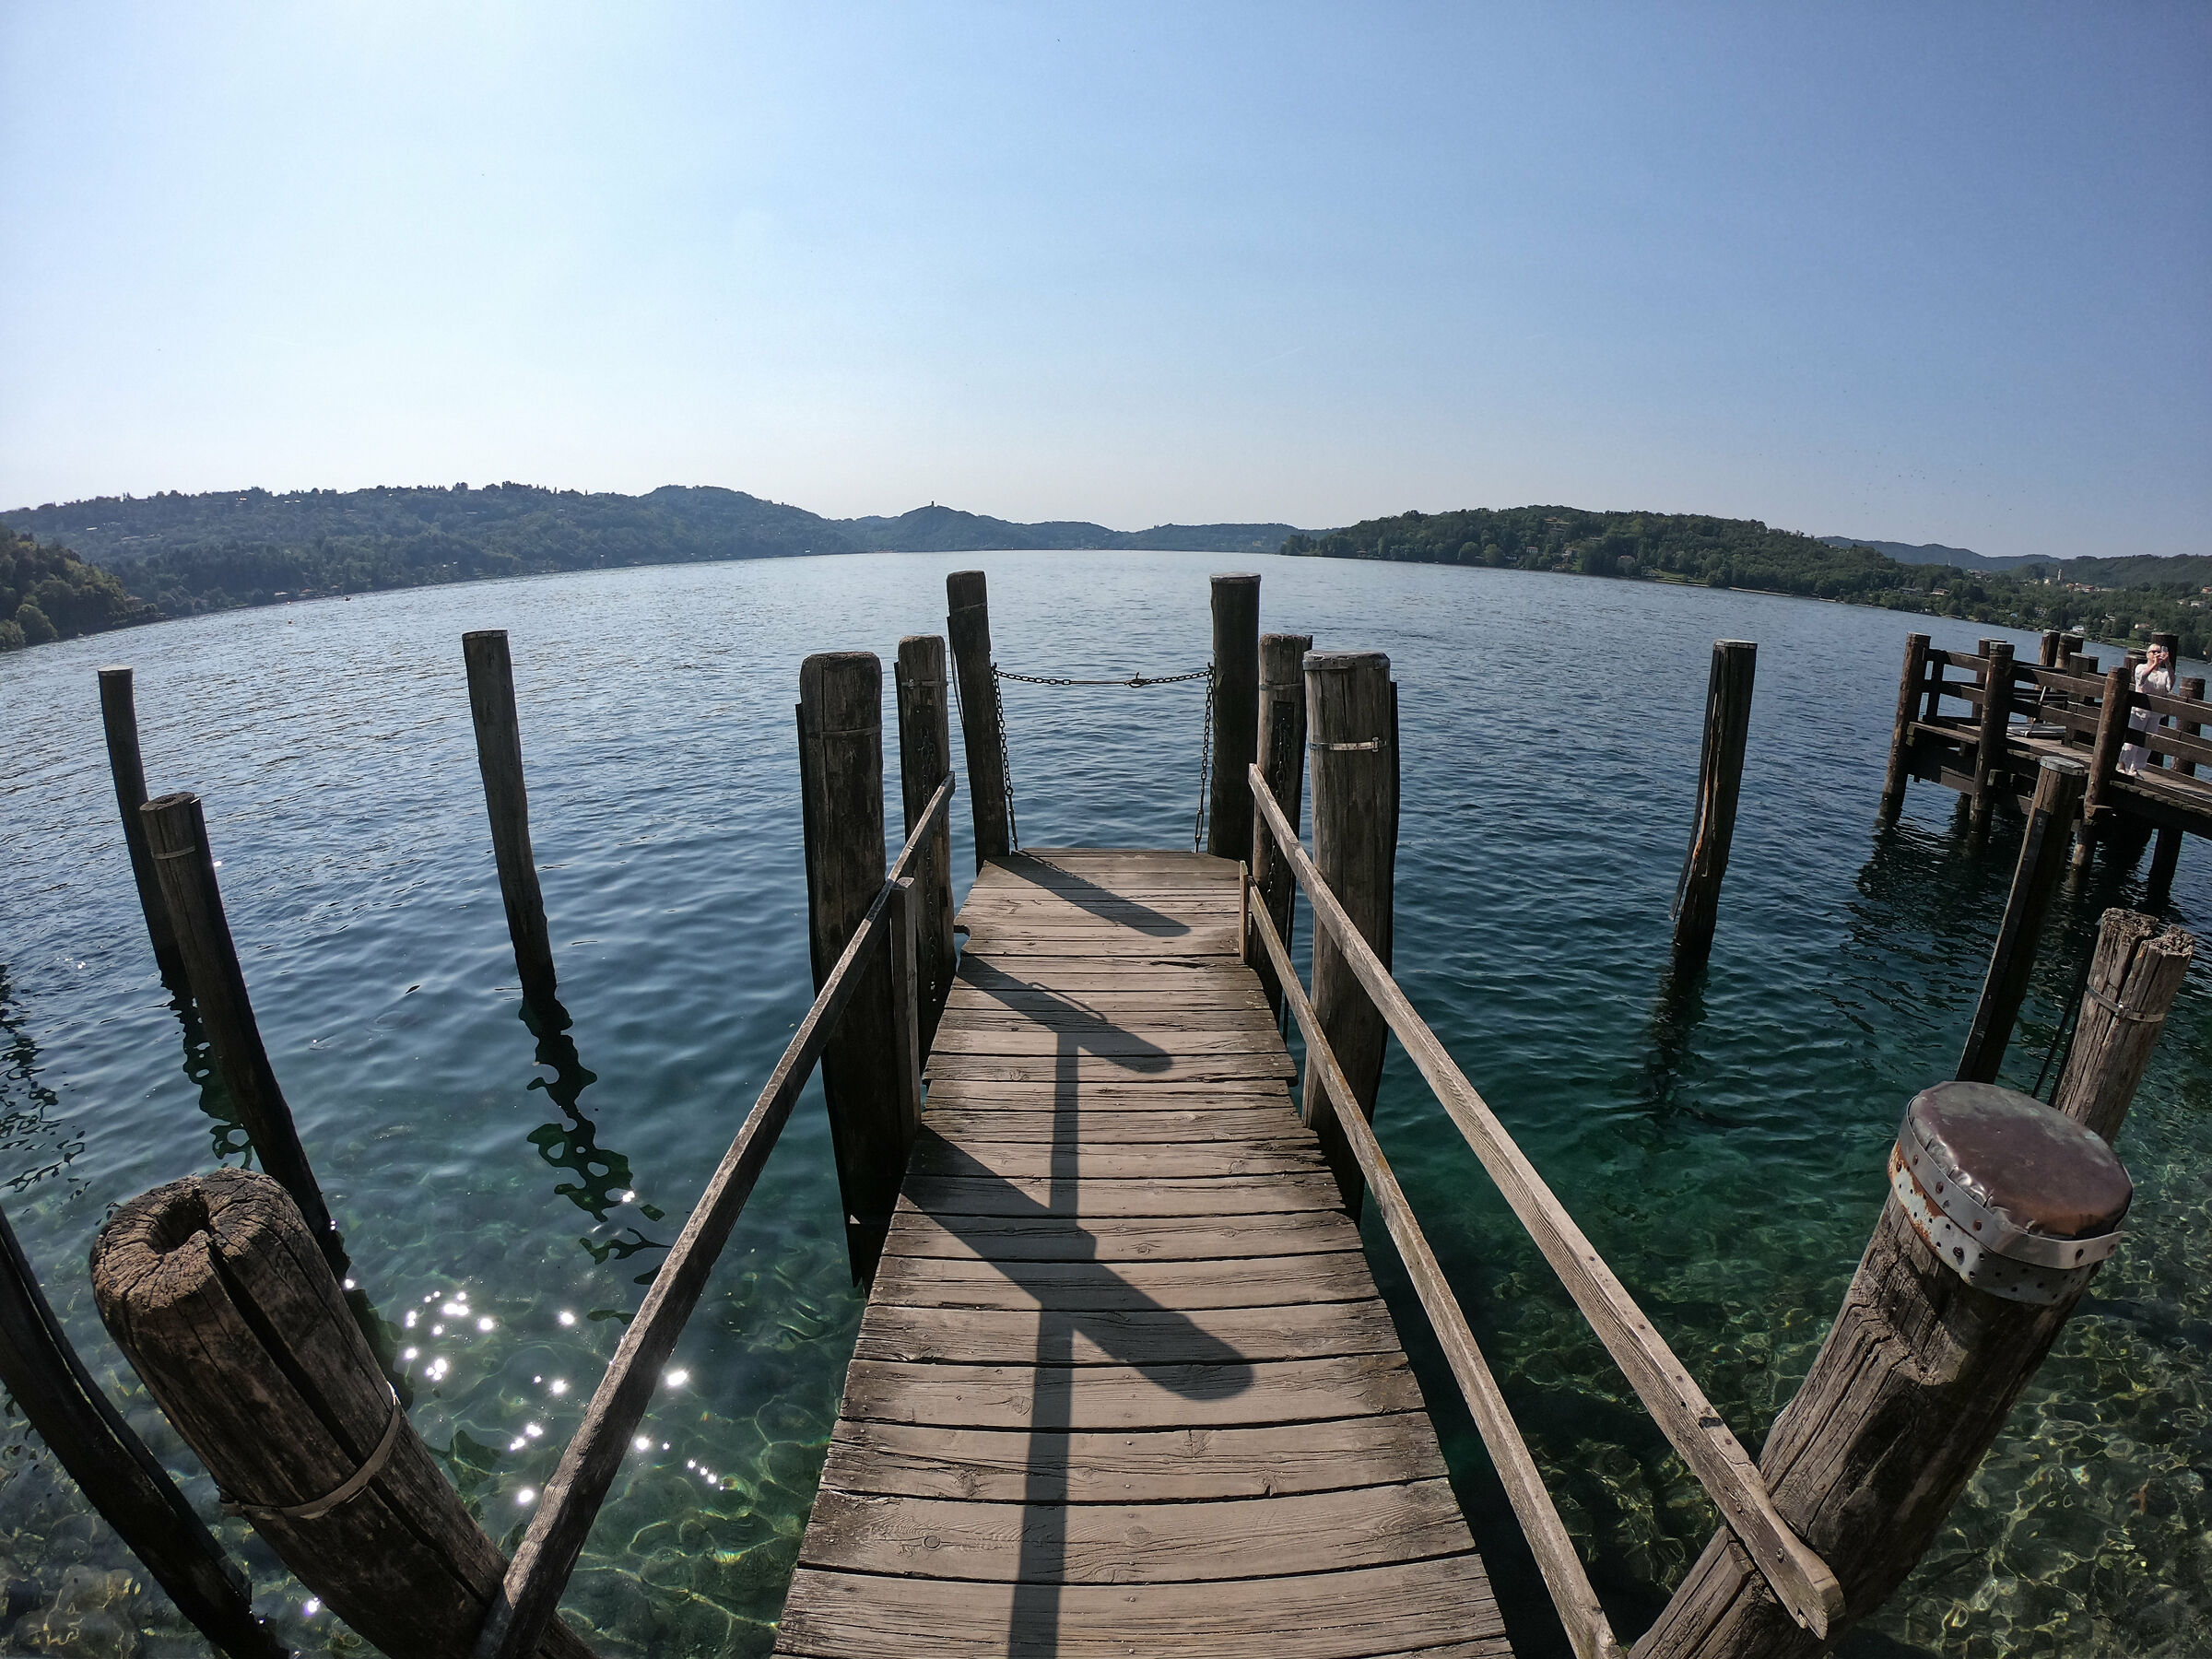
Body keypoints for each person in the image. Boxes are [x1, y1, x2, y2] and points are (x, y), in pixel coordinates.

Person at [2119, 641, 2175, 774]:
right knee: (2132, 739)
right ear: (2147, 654)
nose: (2156, 654)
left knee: (2148, 742)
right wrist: (2154, 664)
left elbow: (2171, 684)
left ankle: (2135, 768)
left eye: (2158, 651)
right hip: (2139, 711)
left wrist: (2167, 663)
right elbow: (2142, 679)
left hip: (2155, 712)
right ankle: (2122, 765)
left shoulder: (2164, 673)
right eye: (2153, 652)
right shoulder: (2140, 667)